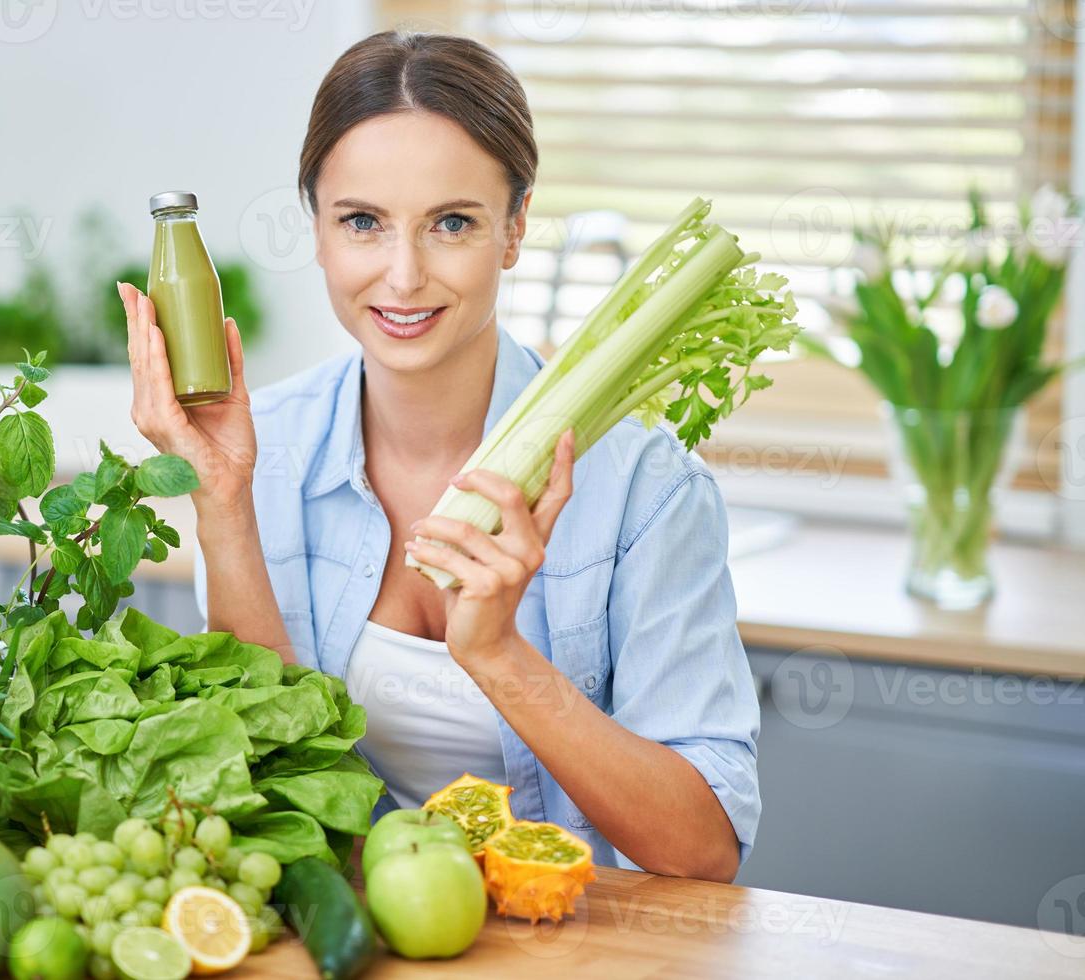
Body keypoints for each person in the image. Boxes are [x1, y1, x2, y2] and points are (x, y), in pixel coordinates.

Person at [117, 30, 758, 882]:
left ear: (515, 229)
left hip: (573, 944)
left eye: (451, 223)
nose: (404, 274)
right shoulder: (260, 451)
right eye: (363, 223)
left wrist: (500, 655)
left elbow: (703, 849)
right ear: (316, 229)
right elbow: (275, 787)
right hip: (359, 930)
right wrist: (222, 502)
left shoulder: (646, 489)